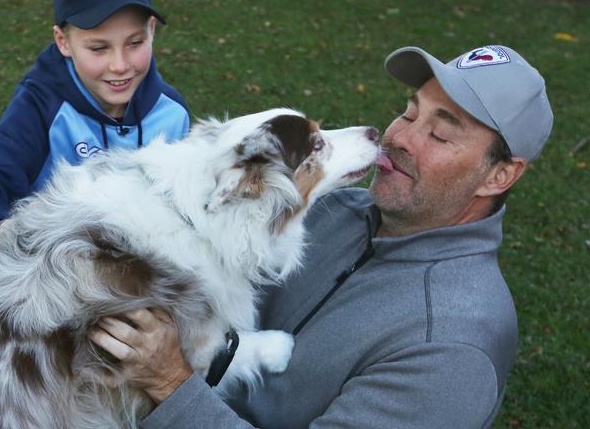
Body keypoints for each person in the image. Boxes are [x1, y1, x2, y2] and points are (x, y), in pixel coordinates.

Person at [91, 44, 553, 428]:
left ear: (499, 176)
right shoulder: (332, 212)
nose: (398, 138)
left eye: (440, 135)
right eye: (410, 113)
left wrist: (172, 385)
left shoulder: (451, 349)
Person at [0, 0, 189, 258]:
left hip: (140, 265)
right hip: (56, 267)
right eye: (98, 48)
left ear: (151, 31)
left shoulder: (172, 112)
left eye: (135, 43)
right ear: (63, 41)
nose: (120, 65)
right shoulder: (41, 106)